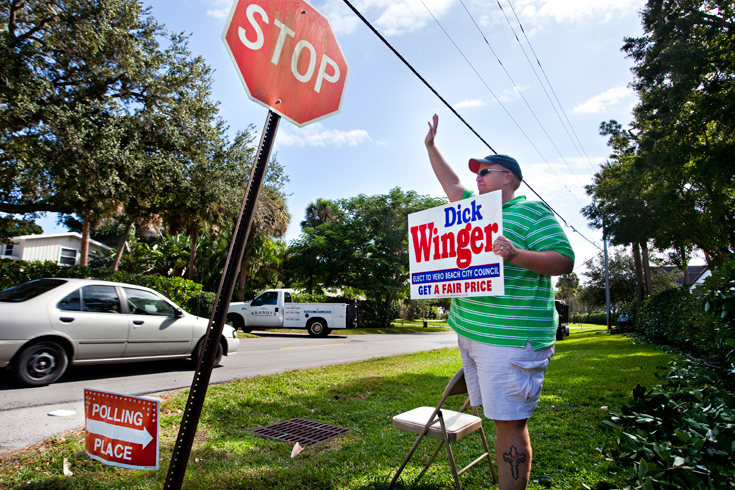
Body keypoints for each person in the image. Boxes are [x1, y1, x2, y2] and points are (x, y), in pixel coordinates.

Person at [424, 114, 574, 490]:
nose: (478, 177)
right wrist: (431, 146)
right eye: (477, 172)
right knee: (493, 415)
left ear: (508, 177)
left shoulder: (532, 212)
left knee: (510, 423)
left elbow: (564, 260)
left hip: (510, 340)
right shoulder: (472, 211)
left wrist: (516, 255)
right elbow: (452, 182)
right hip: (470, 334)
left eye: (486, 171)